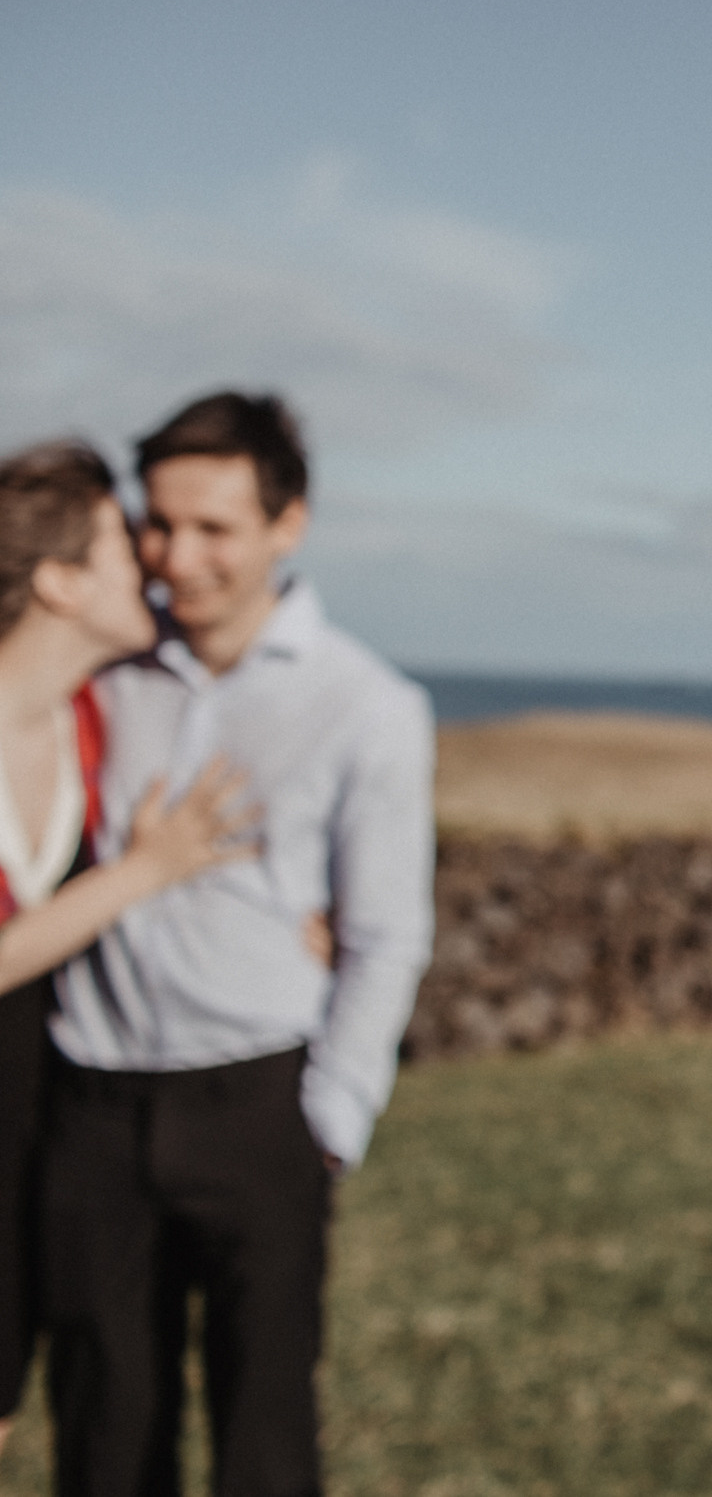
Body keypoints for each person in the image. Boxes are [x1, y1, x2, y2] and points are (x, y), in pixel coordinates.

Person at [41, 393, 434, 1497]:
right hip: (93, 1106)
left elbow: (388, 930)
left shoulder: (369, 705)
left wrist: (330, 1118)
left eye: (215, 527)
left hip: (262, 1106)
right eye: (159, 525)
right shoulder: (100, 665)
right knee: (105, 1436)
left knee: (265, 1440)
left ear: (287, 523)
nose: (180, 556)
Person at [0, 441, 256, 1462]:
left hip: (29, 1154)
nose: (153, 562)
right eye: (120, 542)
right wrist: (142, 873)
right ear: (59, 581)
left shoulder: (96, 725)